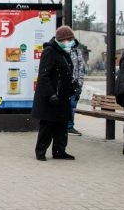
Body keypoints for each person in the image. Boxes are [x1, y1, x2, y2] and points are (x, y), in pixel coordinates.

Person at [32, 25, 77, 161]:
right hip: (51, 97)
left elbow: (66, 74)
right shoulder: (50, 51)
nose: (70, 42)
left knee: (61, 125)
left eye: (71, 40)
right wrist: (51, 93)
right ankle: (40, 151)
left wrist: (73, 88)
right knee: (48, 125)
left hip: (62, 96)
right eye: (68, 40)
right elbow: (44, 75)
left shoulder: (65, 53)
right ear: (61, 40)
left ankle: (59, 151)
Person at [67, 39, 85, 136]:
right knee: (64, 106)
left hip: (74, 85)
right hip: (65, 85)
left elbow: (81, 69)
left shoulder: (78, 52)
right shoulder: (63, 51)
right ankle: (64, 126)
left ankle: (69, 126)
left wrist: (79, 84)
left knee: (72, 105)